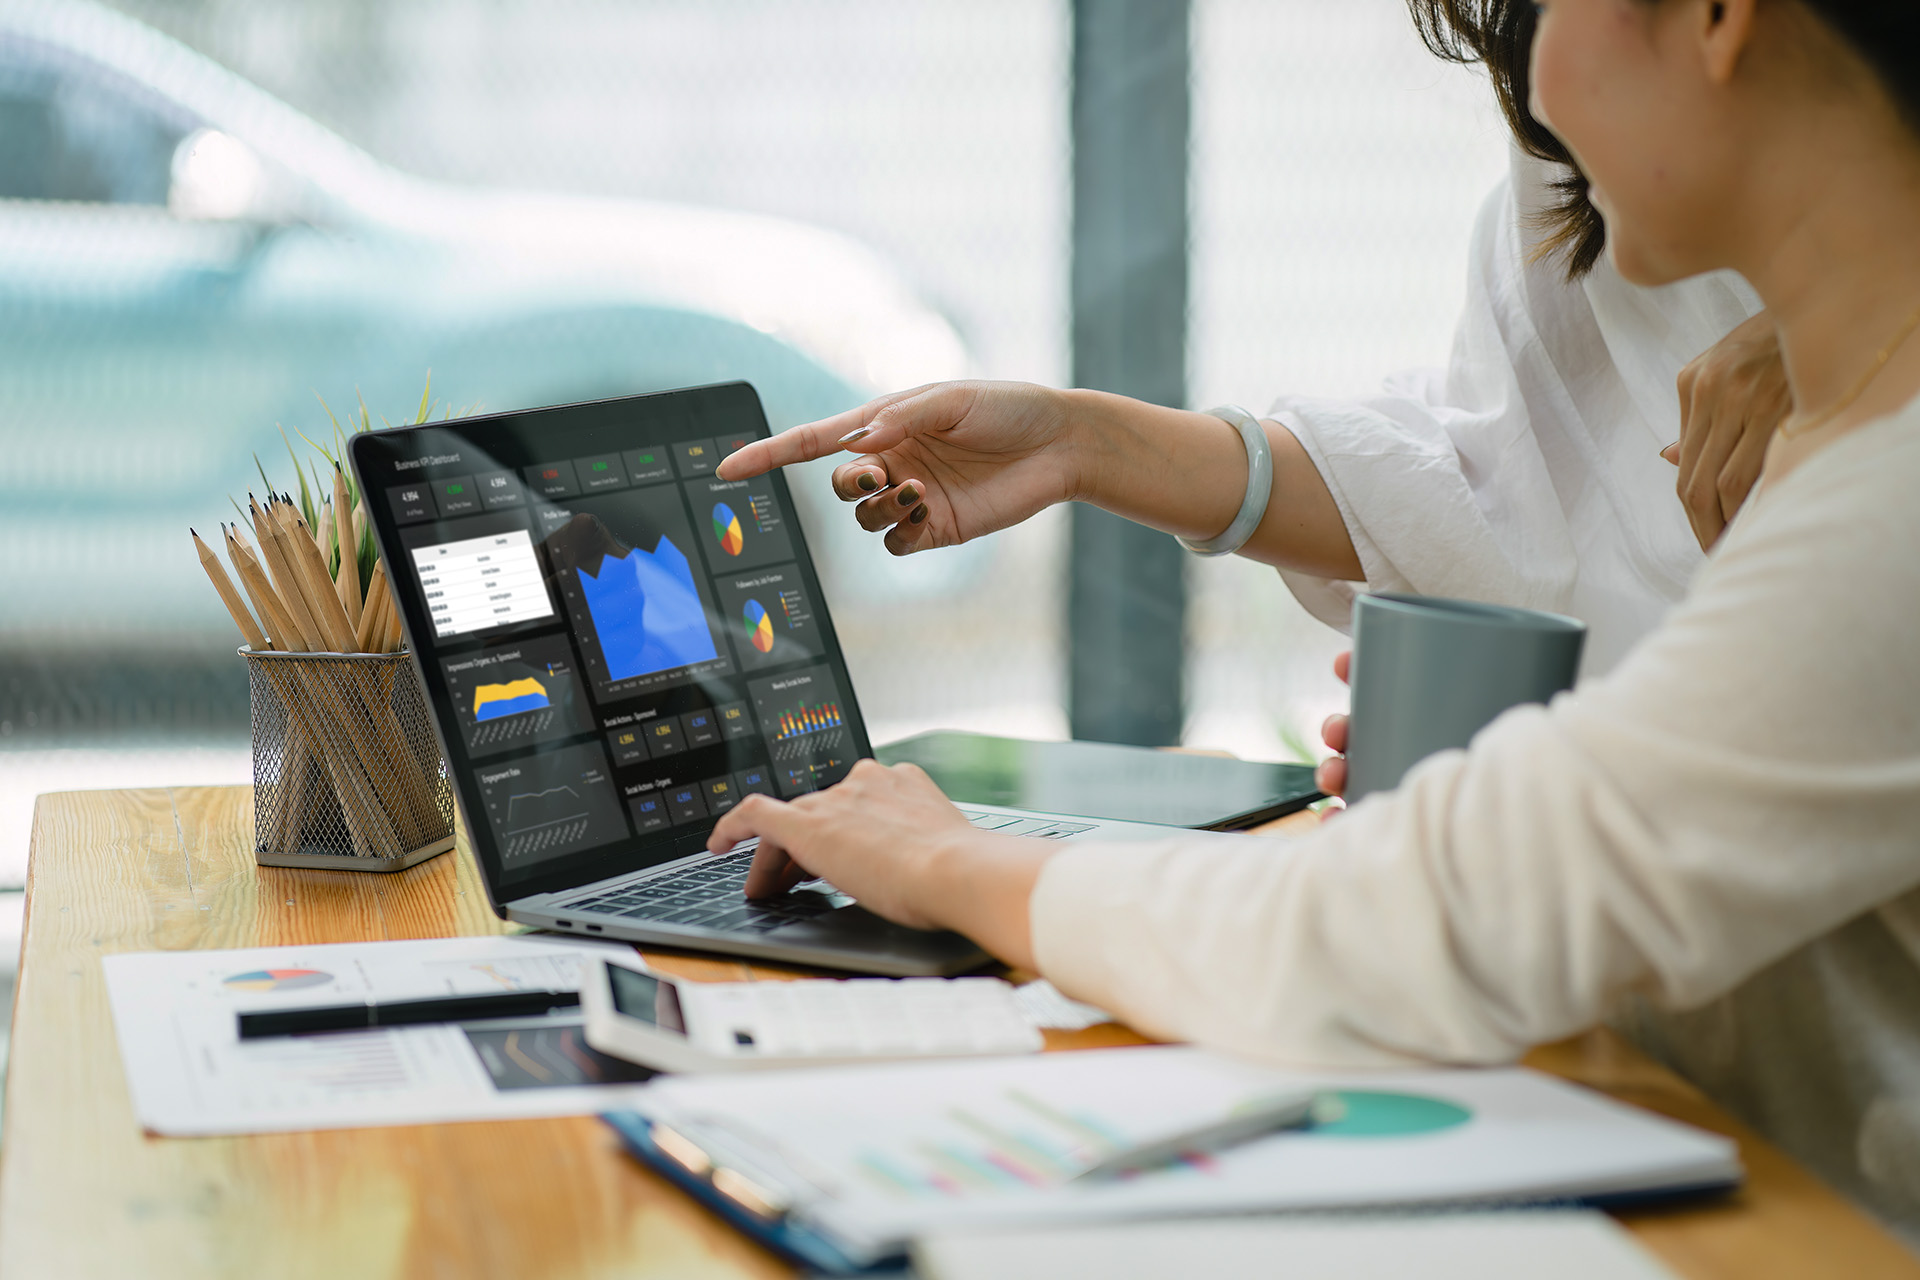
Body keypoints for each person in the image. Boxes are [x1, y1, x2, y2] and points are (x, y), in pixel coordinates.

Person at [712, 0, 1920, 1244]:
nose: (1533, 97)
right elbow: (1508, 483)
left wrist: (946, 862)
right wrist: (1089, 440)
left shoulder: (1887, 516)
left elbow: (1404, 926)